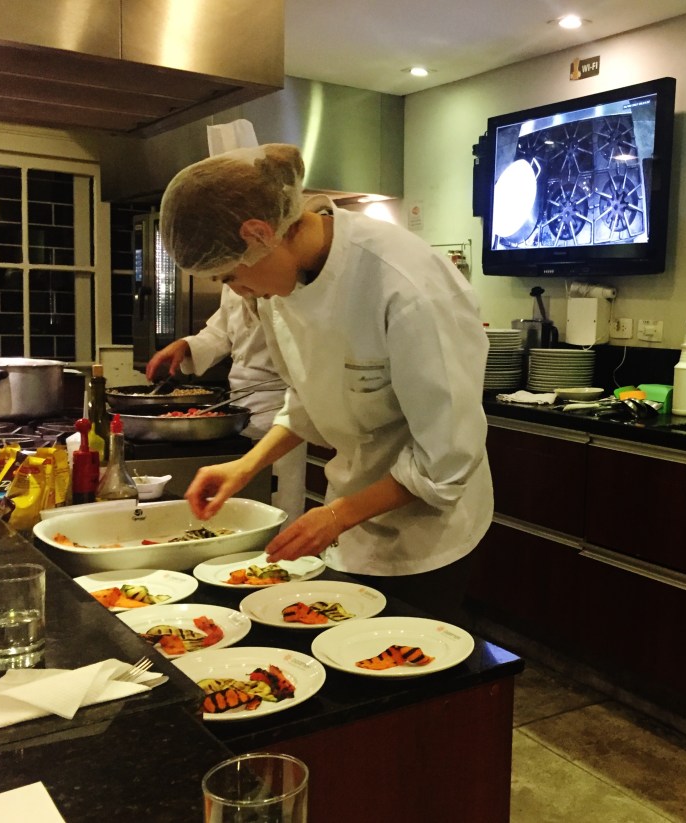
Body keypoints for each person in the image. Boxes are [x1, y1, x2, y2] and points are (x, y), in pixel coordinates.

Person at [158, 143, 493, 623]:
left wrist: (337, 515)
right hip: (349, 519)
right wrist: (245, 467)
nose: (237, 292)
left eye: (230, 277)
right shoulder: (281, 284)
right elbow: (308, 396)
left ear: (259, 233)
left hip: (426, 534)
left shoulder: (407, 285)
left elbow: (446, 460)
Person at [145, 285, 307, 524]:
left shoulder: (283, 285)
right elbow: (221, 330)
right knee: (243, 501)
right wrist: (188, 345)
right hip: (239, 406)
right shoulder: (233, 281)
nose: (230, 283)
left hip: (283, 406)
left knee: (280, 501)